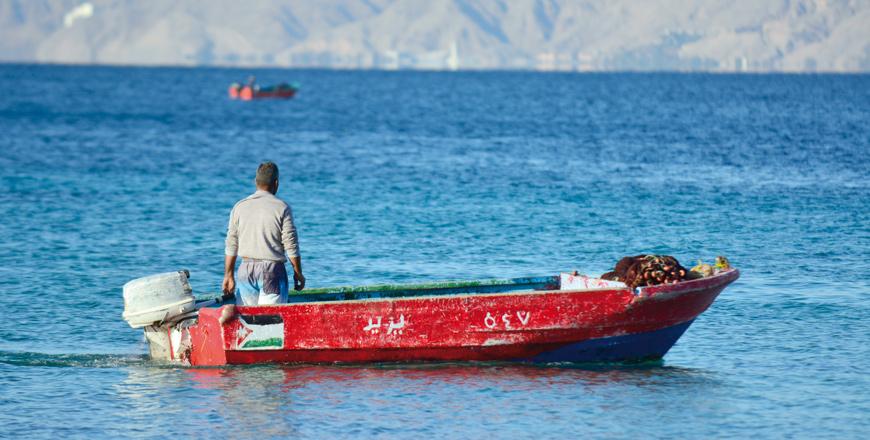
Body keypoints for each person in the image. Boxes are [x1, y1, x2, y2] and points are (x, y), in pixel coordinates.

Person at [222, 161, 305, 305]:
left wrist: (228, 274)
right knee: (271, 319)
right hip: (271, 271)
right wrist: (298, 272)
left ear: (256, 182)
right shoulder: (282, 208)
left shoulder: (239, 207)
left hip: (245, 270)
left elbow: (231, 243)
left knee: (247, 319)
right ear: (276, 183)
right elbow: (290, 244)